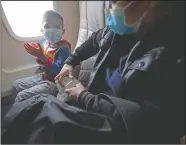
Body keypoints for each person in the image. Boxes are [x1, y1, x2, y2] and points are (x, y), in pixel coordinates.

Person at [2, 1, 185, 144]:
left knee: (41, 111)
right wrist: (69, 62)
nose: (111, 10)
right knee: (33, 112)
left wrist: (83, 96)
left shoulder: (171, 55)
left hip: (116, 127)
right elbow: (92, 42)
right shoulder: (117, 30)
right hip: (94, 104)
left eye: (115, 2)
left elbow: (147, 125)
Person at [12, 10, 71, 103]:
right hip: (42, 76)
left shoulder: (64, 48)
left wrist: (42, 56)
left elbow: (60, 71)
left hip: (54, 83)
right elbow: (44, 62)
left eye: (56, 27)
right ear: (42, 30)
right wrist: (38, 56)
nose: (51, 29)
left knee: (21, 96)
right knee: (16, 85)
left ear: (62, 31)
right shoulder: (45, 43)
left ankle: (21, 113)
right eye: (47, 26)